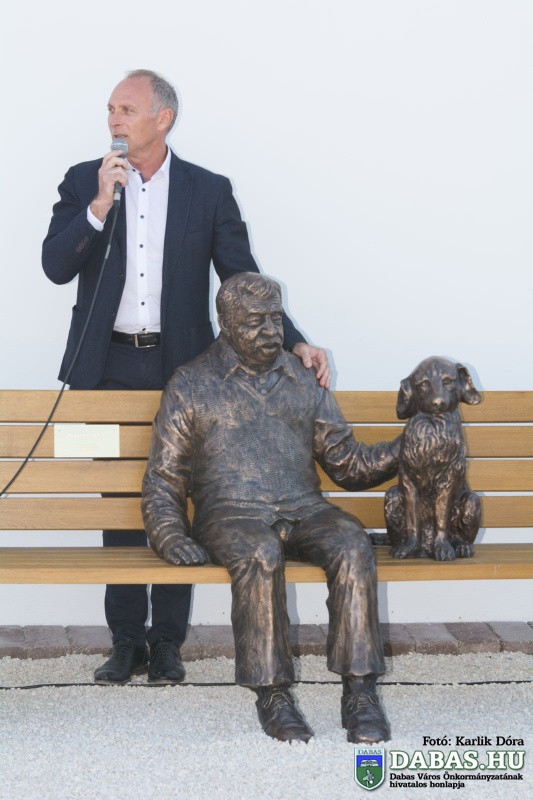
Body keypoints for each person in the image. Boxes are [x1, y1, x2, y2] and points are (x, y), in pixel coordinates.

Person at [42, 70, 331, 686]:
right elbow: (55, 266)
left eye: (127, 109)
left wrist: (296, 341)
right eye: (110, 109)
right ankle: (126, 641)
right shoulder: (85, 181)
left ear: (163, 118)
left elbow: (241, 278)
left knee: (180, 498)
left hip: (187, 372)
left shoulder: (208, 190)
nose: (114, 119)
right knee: (121, 503)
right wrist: (99, 205)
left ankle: (167, 642)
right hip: (106, 366)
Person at [142, 273, 400, 743]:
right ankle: (273, 694)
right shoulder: (191, 384)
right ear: (226, 324)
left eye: (275, 319)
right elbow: (165, 475)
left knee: (351, 542)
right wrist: (169, 533)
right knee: (260, 552)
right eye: (254, 321)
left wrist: (406, 448)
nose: (269, 332)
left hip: (305, 509)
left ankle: (360, 692)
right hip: (230, 515)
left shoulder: (303, 378)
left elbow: (346, 463)